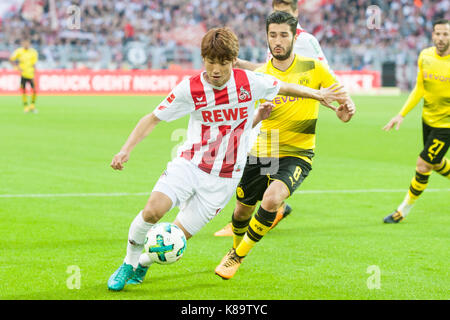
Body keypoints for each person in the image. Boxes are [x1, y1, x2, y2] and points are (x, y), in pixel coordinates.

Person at [107, 26, 348, 291]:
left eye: (223, 62)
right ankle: (127, 264)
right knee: (153, 211)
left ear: (233, 61)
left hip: (223, 181)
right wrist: (125, 149)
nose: (216, 69)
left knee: (175, 238)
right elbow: (153, 118)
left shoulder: (249, 82)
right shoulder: (191, 88)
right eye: (211, 62)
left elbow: (283, 87)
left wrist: (318, 94)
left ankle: (142, 263)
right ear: (203, 60)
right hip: (190, 164)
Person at [214, 12, 356, 280]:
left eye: (283, 35)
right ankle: (234, 249)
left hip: (297, 151)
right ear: (266, 37)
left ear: (293, 37)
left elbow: (343, 98)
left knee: (272, 199)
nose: (277, 41)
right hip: (263, 149)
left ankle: (238, 255)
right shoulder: (260, 74)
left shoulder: (312, 67)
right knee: (242, 209)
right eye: (272, 35)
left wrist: (347, 110)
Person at [214, 0, 333, 236]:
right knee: (259, 184)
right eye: (276, 11)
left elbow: (322, 72)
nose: (279, 17)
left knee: (272, 188)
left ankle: (269, 213)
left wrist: (339, 99)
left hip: (296, 117)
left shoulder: (305, 41)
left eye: (285, 12)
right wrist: (242, 66)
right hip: (273, 123)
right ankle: (273, 210)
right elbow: (269, 71)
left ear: (296, 14)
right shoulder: (276, 37)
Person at [383, 19, 450, 223]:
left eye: (445, 34)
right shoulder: (425, 56)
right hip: (427, 120)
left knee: (423, 165)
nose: (441, 38)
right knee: (435, 162)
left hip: (446, 125)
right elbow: (420, 88)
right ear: (432, 35)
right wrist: (401, 114)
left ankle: (403, 210)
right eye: (437, 33)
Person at [10, 39, 39, 113]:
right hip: (23, 74)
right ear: (22, 44)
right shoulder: (19, 51)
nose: (26, 45)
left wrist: (35, 71)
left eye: (27, 43)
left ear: (29, 43)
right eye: (24, 43)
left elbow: (34, 63)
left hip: (31, 74)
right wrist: (17, 67)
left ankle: (32, 106)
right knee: (24, 91)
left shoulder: (33, 52)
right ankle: (26, 106)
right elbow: (11, 59)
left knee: (34, 90)